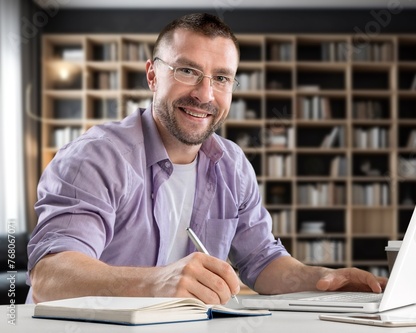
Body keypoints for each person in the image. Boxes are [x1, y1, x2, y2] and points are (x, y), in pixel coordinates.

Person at [27, 13, 386, 305]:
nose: (204, 94)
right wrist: (158, 282)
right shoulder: (97, 157)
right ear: (153, 75)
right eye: (187, 71)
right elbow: (50, 276)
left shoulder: (232, 165)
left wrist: (323, 278)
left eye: (221, 78)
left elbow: (262, 262)